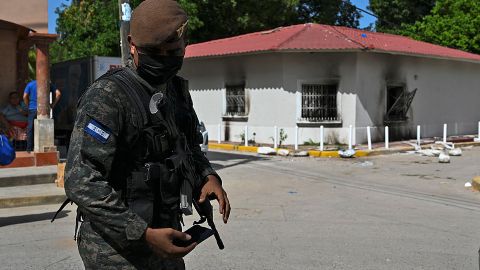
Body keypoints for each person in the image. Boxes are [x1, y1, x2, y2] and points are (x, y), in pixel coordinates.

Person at [63, 0, 230, 269]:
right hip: (116, 252)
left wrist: (207, 176)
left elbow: (188, 146)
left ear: (185, 44)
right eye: (154, 51)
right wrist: (142, 233)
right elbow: (81, 180)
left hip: (167, 240)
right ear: (132, 44)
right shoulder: (107, 97)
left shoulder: (176, 91)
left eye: (172, 51)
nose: (163, 58)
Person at [23, 80, 62, 152]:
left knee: (30, 128)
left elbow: (25, 96)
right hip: (45, 110)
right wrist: (52, 105)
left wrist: (28, 105)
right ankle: (45, 149)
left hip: (32, 109)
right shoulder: (48, 83)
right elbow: (58, 94)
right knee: (45, 127)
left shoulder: (30, 84)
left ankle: (29, 149)